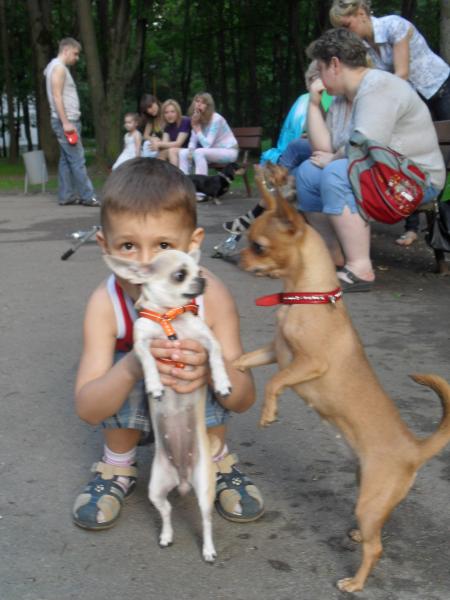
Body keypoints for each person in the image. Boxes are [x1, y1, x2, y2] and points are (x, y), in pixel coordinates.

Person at [72, 157, 264, 530]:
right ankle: (117, 464)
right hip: (136, 396)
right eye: (128, 245)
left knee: (200, 355)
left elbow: (243, 399)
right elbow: (88, 407)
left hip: (192, 407)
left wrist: (211, 370)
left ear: (192, 245)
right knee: (128, 361)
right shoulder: (105, 304)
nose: (147, 265)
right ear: (105, 246)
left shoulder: (212, 297)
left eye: (163, 244)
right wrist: (131, 367)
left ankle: (215, 457)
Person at [295, 28, 445, 292]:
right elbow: (322, 149)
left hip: (414, 181)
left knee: (336, 172)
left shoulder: (379, 86)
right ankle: (332, 256)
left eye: (320, 68)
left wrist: (333, 159)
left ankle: (360, 269)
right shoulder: (341, 99)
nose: (318, 76)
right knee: (308, 172)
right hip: (381, 174)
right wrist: (314, 104)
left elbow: (363, 144)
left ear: (334, 64)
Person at [329, 0, 450, 246]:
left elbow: (400, 75)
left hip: (441, 90)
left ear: (361, 13)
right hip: (411, 100)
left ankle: (444, 225)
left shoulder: (394, 26)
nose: (345, 33)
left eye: (346, 25)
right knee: (397, 154)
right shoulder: (363, 48)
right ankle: (412, 227)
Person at [223, 62, 332, 235]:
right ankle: (267, 212)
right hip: (321, 150)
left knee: (294, 150)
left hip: (331, 151)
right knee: (294, 172)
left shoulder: (327, 96)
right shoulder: (317, 98)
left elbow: (332, 131)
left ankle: (259, 211)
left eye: (314, 79)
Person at [44, 38, 99, 207]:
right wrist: (66, 123)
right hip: (67, 121)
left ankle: (66, 196)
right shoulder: (59, 68)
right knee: (77, 160)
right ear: (66, 50)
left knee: (66, 160)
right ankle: (88, 197)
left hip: (64, 120)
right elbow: (57, 96)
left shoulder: (52, 66)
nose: (77, 58)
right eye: (75, 54)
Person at [178, 93, 239, 201]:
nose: (199, 104)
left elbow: (207, 144)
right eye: (197, 101)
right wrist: (190, 152)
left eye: (203, 102)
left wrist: (197, 128)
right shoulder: (197, 119)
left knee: (199, 152)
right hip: (212, 152)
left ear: (208, 106)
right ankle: (184, 189)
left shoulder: (216, 119)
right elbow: (193, 141)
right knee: (183, 153)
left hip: (229, 151)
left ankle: (201, 193)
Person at [149, 99, 191, 166]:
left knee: (171, 151)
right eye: (166, 112)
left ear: (178, 112)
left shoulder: (185, 121)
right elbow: (165, 143)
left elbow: (178, 143)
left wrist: (159, 144)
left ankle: (173, 172)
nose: (169, 115)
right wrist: (156, 141)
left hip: (190, 150)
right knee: (162, 152)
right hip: (176, 151)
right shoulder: (167, 126)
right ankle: (160, 172)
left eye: (172, 112)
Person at [139, 94, 164, 158]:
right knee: (147, 144)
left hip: (168, 145)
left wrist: (159, 143)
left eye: (150, 106)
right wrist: (153, 138)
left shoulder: (166, 113)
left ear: (155, 101)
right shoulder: (152, 119)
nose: (149, 111)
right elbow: (145, 135)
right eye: (146, 110)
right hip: (158, 146)